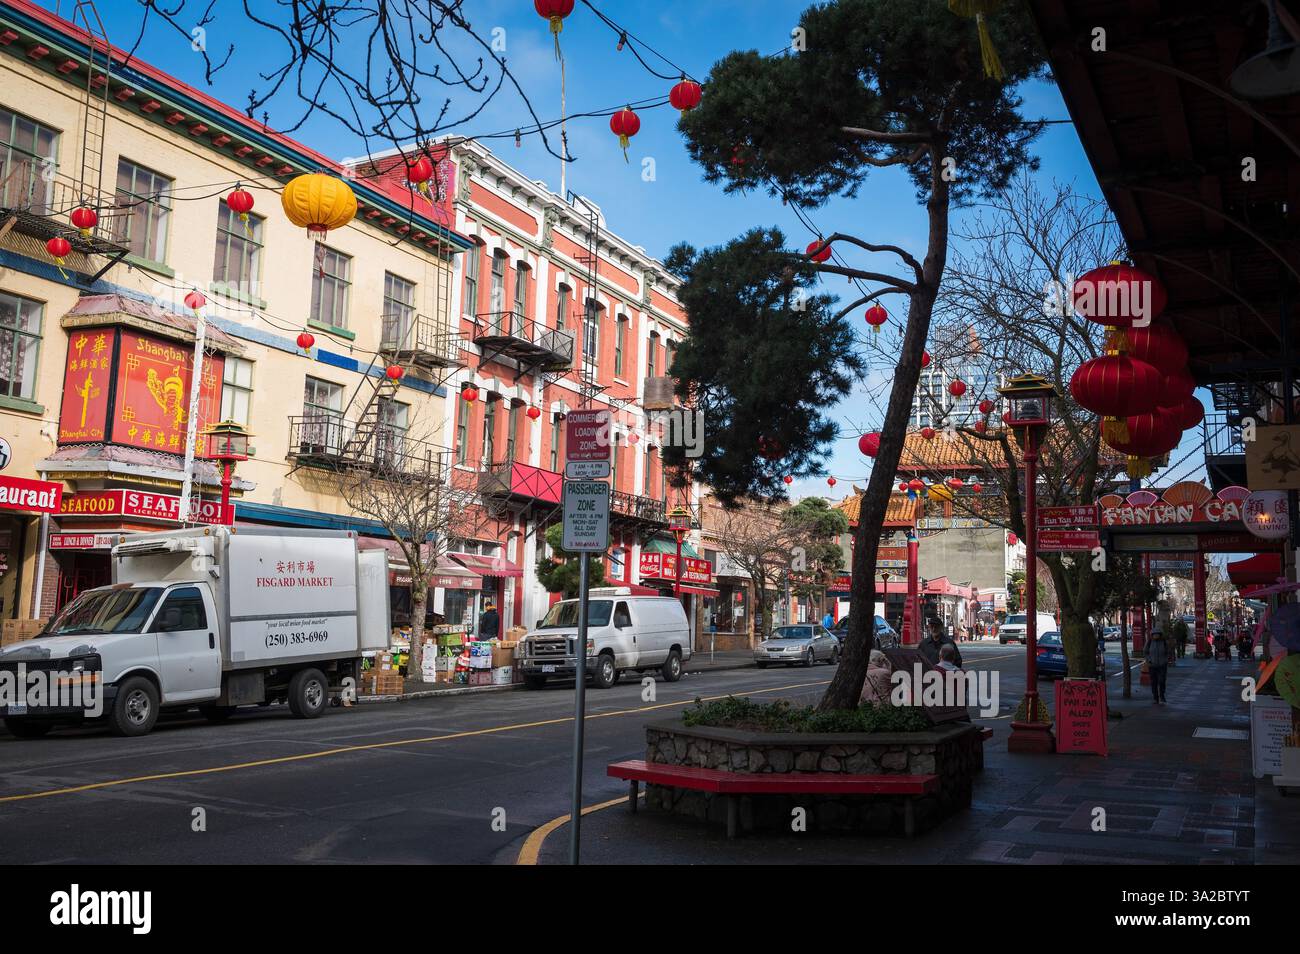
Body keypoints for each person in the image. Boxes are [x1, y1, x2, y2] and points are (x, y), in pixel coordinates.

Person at [1146, 622, 1169, 704]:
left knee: (1162, 681)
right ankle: (1155, 697)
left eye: (1157, 634)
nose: (1156, 636)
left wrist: (1166, 660)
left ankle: (1162, 695)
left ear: (1160, 635)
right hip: (1152, 665)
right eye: (1154, 634)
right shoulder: (1149, 642)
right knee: (1154, 682)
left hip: (1162, 665)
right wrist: (1149, 660)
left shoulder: (1163, 642)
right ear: (1152, 635)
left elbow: (1167, 652)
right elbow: (1146, 652)